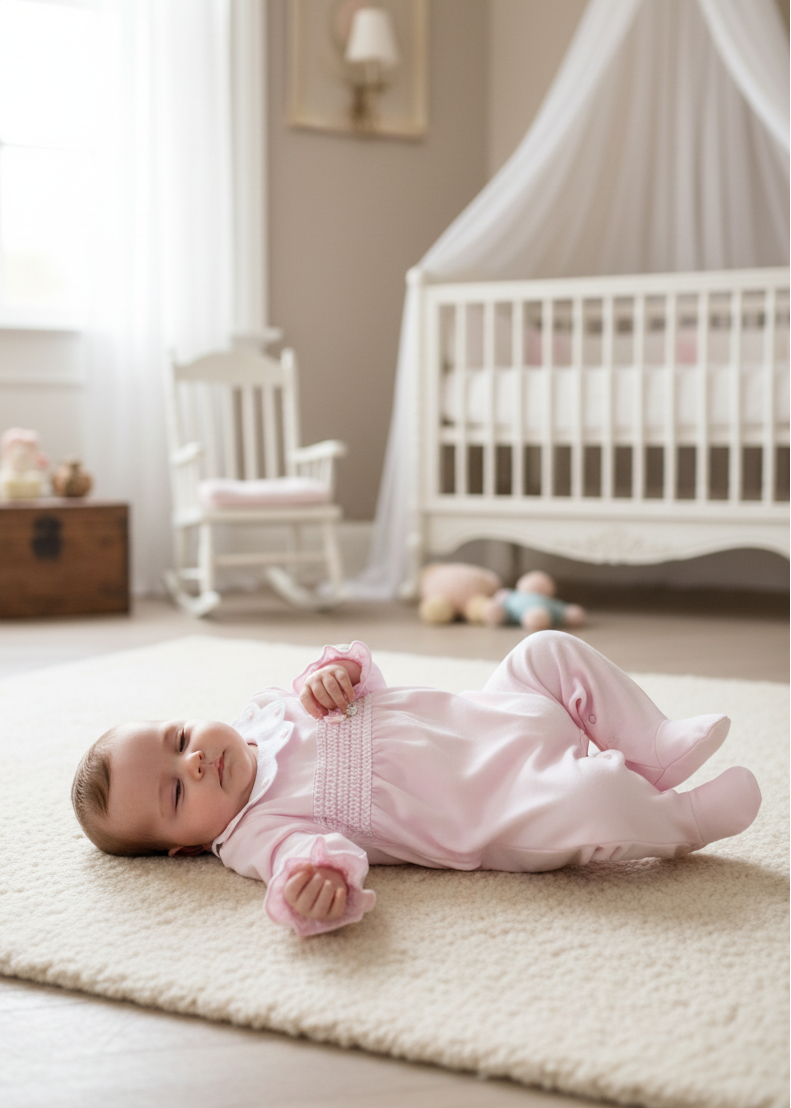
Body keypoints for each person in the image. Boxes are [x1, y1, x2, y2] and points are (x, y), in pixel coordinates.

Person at [71, 632, 761, 937]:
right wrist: (311, 890)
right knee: (591, 804)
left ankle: (651, 743)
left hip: (492, 713)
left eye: (178, 739)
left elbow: (363, 681)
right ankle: (682, 820)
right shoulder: (252, 834)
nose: (192, 761)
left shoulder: (272, 709)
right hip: (501, 803)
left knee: (544, 651)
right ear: (186, 848)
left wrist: (334, 671)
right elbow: (304, 865)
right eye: (174, 793)